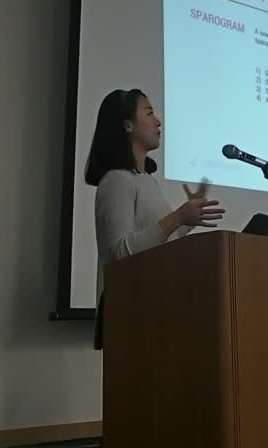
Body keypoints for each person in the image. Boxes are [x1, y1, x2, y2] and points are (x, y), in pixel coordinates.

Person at [85, 88, 225, 349]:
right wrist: (178, 217)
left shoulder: (147, 181)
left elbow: (158, 243)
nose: (158, 121)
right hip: (128, 311)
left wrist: (187, 220)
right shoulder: (117, 180)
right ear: (127, 124)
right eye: (149, 113)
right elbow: (120, 253)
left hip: (156, 307)